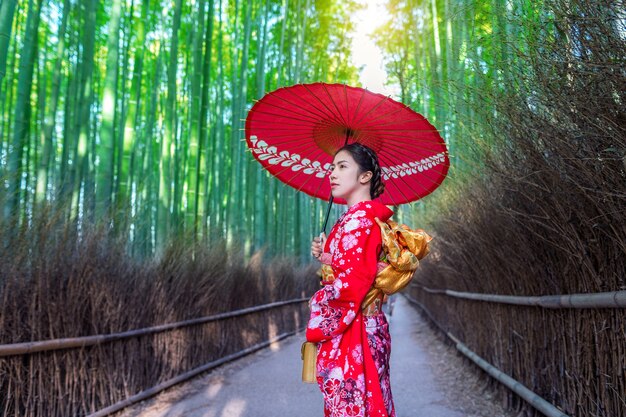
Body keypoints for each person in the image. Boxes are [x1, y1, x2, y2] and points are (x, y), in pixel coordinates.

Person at [307, 142, 396, 417]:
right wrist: (329, 258)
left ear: (365, 176)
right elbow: (356, 268)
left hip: (358, 327)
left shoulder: (362, 219)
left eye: (342, 166)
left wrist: (319, 305)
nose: (332, 173)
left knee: (358, 407)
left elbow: (355, 278)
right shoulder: (354, 218)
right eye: (331, 167)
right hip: (361, 324)